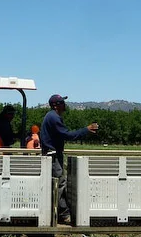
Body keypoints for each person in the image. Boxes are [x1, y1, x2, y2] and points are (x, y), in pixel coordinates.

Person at [40, 94, 98, 224]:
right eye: (61, 102)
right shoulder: (54, 118)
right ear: (56, 105)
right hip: (53, 155)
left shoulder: (51, 116)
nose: (64, 104)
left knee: (58, 183)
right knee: (60, 183)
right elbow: (67, 135)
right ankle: (62, 214)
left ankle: (61, 213)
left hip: (52, 154)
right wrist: (85, 130)